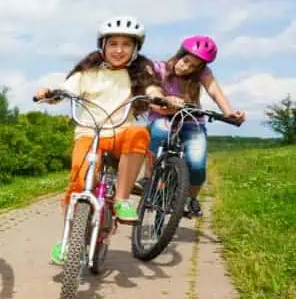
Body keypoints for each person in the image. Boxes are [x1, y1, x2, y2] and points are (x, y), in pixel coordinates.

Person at [33, 16, 165, 263]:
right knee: (78, 184)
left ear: (135, 48)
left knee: (139, 133)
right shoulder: (87, 72)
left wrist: (160, 97)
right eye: (113, 43)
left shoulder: (138, 73)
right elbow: (65, 90)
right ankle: (67, 240)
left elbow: (152, 90)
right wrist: (49, 93)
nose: (119, 50)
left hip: (121, 132)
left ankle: (122, 200)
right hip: (89, 133)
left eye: (126, 45)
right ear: (102, 45)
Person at [142, 35, 245, 217]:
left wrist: (229, 112)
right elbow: (151, 90)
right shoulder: (159, 68)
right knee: (159, 134)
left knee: (197, 165)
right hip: (162, 116)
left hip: (191, 120)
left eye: (193, 66)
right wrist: (163, 101)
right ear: (179, 54)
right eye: (186, 61)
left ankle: (191, 198)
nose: (186, 67)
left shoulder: (202, 74)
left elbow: (215, 91)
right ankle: (149, 179)